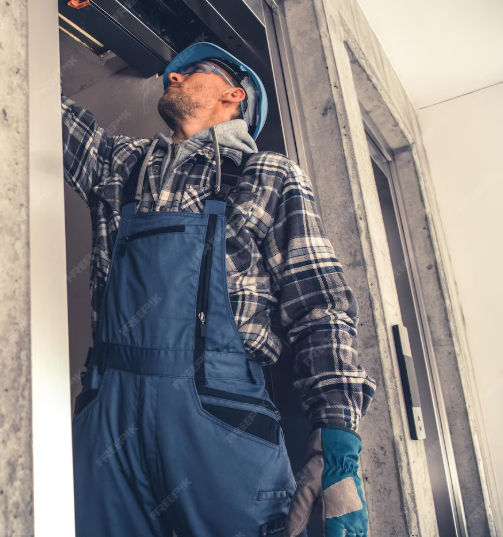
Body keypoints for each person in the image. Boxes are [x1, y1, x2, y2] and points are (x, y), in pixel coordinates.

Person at [62, 41, 376, 537]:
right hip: (108, 418)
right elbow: (40, 105)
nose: (172, 77)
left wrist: (336, 444)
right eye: (172, 73)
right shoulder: (120, 164)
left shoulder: (269, 175)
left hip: (220, 419)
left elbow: (320, 306)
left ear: (234, 93)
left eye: (190, 72)